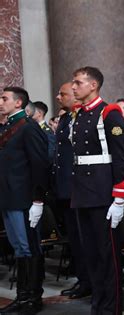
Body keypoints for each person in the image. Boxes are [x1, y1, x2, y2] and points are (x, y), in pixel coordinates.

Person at [70, 66, 124, 315]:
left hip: (103, 192)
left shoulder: (109, 112)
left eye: (78, 82)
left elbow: (121, 157)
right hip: (83, 193)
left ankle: (111, 308)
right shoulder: (79, 114)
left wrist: (119, 197)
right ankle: (98, 305)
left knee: (108, 257)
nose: (74, 87)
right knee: (91, 255)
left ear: (93, 85)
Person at [0, 87, 49, 314]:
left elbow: (39, 165)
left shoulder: (28, 128)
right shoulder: (8, 126)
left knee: (29, 247)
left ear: (19, 103)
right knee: (19, 248)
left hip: (24, 199)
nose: (0, 102)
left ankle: (32, 297)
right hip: (8, 197)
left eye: (4, 98)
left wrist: (38, 200)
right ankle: (22, 296)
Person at [53, 82, 92, 300]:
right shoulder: (66, 118)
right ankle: (82, 279)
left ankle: (88, 281)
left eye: (63, 93)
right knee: (75, 239)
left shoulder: (81, 116)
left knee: (84, 239)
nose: (59, 97)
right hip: (65, 188)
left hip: (79, 188)